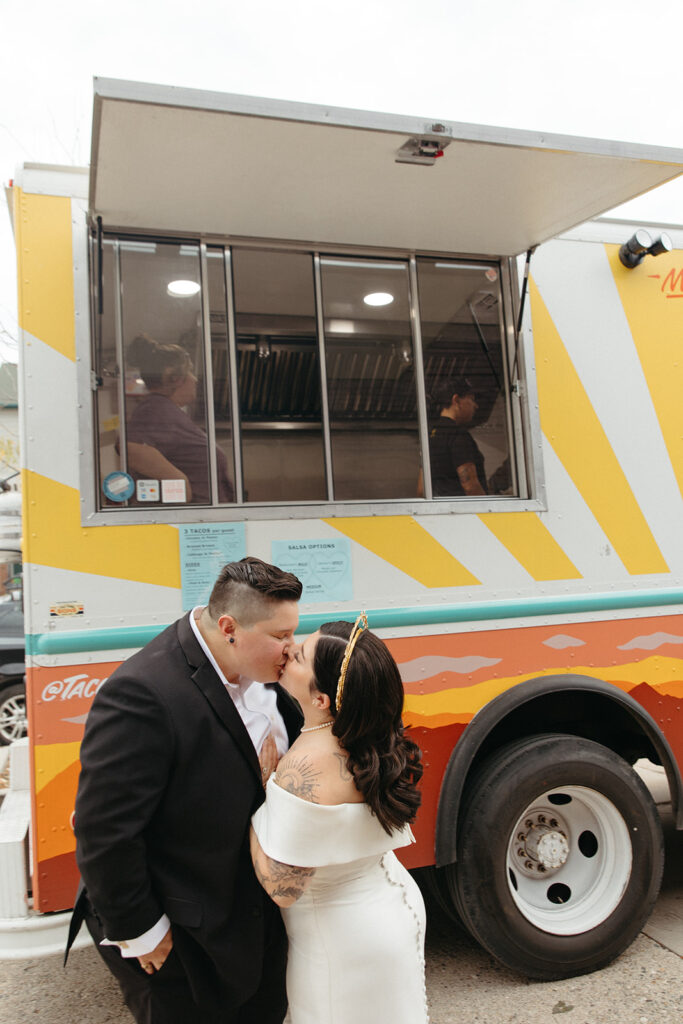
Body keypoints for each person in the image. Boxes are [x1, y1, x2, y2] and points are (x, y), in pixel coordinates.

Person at [67, 557, 303, 1024]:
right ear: (229, 626)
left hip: (254, 922)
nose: (291, 649)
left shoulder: (270, 678)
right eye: (280, 636)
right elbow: (104, 830)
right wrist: (144, 933)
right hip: (184, 935)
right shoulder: (141, 693)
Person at [250, 615, 428, 1024]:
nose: (287, 651)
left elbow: (283, 888)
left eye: (299, 657)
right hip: (393, 907)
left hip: (341, 938)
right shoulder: (366, 738)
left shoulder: (307, 764)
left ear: (321, 700)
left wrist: (260, 800)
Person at [125, 334, 234, 504]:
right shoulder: (155, 408)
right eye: (190, 371)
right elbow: (129, 447)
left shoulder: (166, 411)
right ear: (176, 379)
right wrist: (178, 481)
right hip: (192, 522)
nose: (195, 379)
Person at [424, 377, 487, 497]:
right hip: (465, 512)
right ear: (456, 400)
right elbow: (470, 486)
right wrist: (489, 512)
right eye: (472, 399)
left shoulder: (430, 436)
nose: (476, 406)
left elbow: (422, 489)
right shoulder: (458, 435)